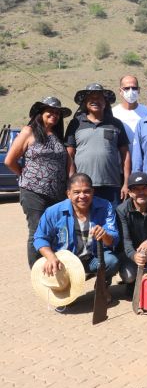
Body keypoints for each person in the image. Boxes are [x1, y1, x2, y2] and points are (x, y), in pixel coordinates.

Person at [4, 96, 71, 268]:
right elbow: (9, 160)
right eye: (50, 111)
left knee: (54, 232)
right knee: (37, 232)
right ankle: (37, 271)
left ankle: (52, 267)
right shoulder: (29, 131)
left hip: (57, 193)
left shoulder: (56, 136)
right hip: (34, 193)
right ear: (40, 113)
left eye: (57, 113)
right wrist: (25, 176)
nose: (54, 115)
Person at [33, 173, 120, 298]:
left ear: (93, 192)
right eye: (77, 192)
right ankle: (68, 285)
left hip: (93, 258)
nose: (82, 196)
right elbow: (40, 237)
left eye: (86, 191)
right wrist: (51, 257)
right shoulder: (53, 212)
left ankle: (101, 286)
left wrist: (104, 235)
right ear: (68, 194)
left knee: (111, 261)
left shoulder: (105, 206)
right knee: (67, 303)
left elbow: (113, 239)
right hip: (65, 262)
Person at [65, 83, 130, 208]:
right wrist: (72, 181)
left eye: (99, 98)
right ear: (85, 102)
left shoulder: (115, 124)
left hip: (112, 185)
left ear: (105, 102)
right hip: (83, 187)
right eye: (91, 99)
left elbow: (125, 154)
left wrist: (126, 183)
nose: (95, 101)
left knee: (112, 223)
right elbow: (69, 154)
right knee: (86, 224)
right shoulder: (76, 123)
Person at [111, 75, 147, 153]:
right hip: (120, 161)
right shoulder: (113, 114)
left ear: (139, 90)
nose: (131, 91)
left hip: (143, 161)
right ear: (120, 91)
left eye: (134, 88)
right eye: (126, 88)